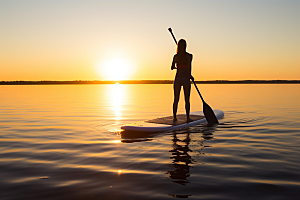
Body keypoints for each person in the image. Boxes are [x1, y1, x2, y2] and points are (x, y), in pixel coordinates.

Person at [171, 39, 194, 123]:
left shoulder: (175, 56)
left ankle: (174, 118)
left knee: (176, 99)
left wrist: (178, 67)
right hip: (185, 78)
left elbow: (172, 67)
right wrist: (190, 76)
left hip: (177, 79)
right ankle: (187, 118)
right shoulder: (189, 56)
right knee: (187, 99)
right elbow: (189, 68)